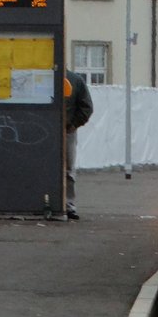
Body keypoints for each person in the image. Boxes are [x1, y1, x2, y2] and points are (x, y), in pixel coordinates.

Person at [64, 69, 94, 221]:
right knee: (68, 169)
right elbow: (86, 106)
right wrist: (74, 124)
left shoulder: (74, 80)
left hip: (63, 130)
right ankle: (68, 205)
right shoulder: (75, 79)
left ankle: (67, 205)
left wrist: (74, 124)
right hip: (67, 130)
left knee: (67, 169)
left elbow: (86, 107)